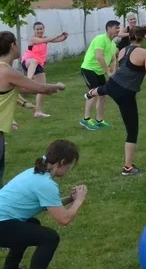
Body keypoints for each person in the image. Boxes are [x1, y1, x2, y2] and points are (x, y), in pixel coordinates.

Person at [0, 139, 85, 269]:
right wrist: (79, 201)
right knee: (49, 237)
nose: (68, 170)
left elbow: (48, 204)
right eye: (69, 166)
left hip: (4, 222)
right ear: (61, 162)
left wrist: (70, 198)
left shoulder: (34, 172)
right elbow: (64, 219)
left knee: (32, 225)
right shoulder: (45, 183)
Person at [83, 26, 146, 176]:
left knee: (105, 89)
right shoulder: (145, 53)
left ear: (129, 37)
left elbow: (123, 69)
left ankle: (92, 92)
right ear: (142, 38)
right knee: (132, 130)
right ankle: (128, 168)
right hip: (126, 93)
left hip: (113, 84)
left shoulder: (123, 50)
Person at [0, 32, 67, 185]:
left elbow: (25, 89)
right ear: (12, 46)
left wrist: (25, 102)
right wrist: (58, 86)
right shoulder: (7, 71)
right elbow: (41, 88)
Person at [79, 20, 121, 131]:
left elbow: (113, 60)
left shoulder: (112, 44)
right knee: (93, 92)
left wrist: (113, 72)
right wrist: (107, 71)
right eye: (116, 27)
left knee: (102, 95)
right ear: (109, 28)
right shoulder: (100, 39)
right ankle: (86, 120)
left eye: (119, 28)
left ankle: (99, 120)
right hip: (89, 69)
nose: (118, 30)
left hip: (99, 71)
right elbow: (99, 57)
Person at [20, 21, 67, 119]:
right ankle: (28, 80)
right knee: (34, 61)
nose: (39, 31)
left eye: (41, 29)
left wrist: (64, 36)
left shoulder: (45, 39)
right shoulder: (33, 39)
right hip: (28, 61)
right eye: (37, 29)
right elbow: (46, 40)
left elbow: (58, 40)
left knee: (42, 88)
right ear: (34, 30)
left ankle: (38, 111)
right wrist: (56, 35)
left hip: (39, 65)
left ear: (43, 29)